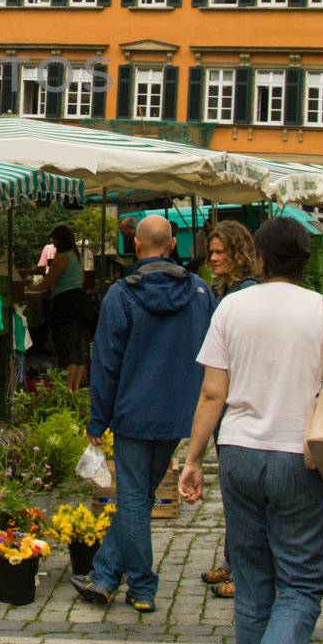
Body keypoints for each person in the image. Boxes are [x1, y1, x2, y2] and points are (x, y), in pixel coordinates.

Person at [179, 216, 323, 644]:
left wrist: (193, 459)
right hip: (298, 457)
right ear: (305, 260)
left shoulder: (232, 308)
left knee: (253, 577)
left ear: (259, 259)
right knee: (303, 580)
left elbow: (213, 394)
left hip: (238, 453)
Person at [71, 215, 215, 613]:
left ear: (135, 245)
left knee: (133, 497)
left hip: (133, 411)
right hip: (177, 412)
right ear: (171, 245)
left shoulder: (121, 295)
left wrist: (98, 417)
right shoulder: (200, 293)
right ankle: (102, 576)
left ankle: (142, 585)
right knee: (142, 496)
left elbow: (105, 362)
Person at [200, 220, 259, 600]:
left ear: (238, 253)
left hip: (239, 406)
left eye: (221, 252)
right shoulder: (232, 291)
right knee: (234, 494)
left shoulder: (246, 294)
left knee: (245, 499)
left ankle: (245, 572)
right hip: (229, 407)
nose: (214, 258)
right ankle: (233, 559)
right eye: (213, 252)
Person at [33, 225, 93, 391]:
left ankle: (67, 390)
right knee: (77, 347)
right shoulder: (76, 256)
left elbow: (48, 282)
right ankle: (75, 389)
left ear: (60, 239)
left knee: (67, 349)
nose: (53, 242)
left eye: (54, 239)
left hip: (66, 305)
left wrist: (30, 288)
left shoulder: (61, 258)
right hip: (80, 304)